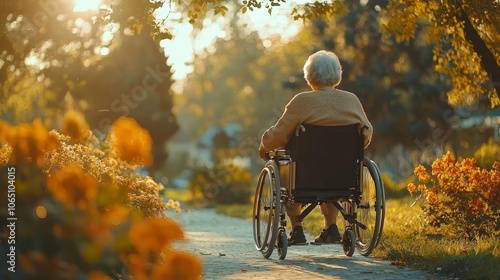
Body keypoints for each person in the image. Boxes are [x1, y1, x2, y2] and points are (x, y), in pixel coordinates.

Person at [258, 50, 373, 245]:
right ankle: (331, 228)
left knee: (288, 171)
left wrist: (264, 145)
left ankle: (297, 230)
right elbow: (366, 134)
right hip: (342, 175)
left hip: (304, 176)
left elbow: (279, 134)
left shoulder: (302, 101)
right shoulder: (351, 100)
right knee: (332, 171)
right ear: (337, 75)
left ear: (309, 76)